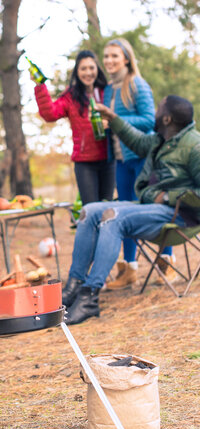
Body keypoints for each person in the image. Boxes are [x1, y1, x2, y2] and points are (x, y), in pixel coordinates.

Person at [62, 95, 200, 325]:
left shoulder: (194, 145)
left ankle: (89, 297)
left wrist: (168, 196)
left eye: (159, 108)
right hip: (151, 206)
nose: (155, 111)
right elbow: (136, 142)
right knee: (89, 211)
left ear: (166, 118)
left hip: (179, 215)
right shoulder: (161, 139)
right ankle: (74, 286)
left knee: (112, 218)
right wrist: (113, 118)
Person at [102, 37, 162, 289]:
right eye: (106, 56)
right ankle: (130, 269)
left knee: (154, 207)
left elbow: (150, 120)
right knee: (124, 211)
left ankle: (165, 263)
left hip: (142, 157)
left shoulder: (137, 84)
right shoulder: (108, 89)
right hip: (120, 159)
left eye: (115, 56)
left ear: (126, 58)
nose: (109, 61)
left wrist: (116, 120)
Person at [33, 50, 115, 205]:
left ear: (97, 69)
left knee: (107, 208)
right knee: (91, 210)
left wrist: (110, 123)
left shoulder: (107, 92)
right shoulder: (71, 96)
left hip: (109, 160)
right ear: (77, 72)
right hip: (85, 163)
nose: (88, 72)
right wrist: (40, 86)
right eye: (83, 69)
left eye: (91, 68)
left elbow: (120, 116)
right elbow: (50, 114)